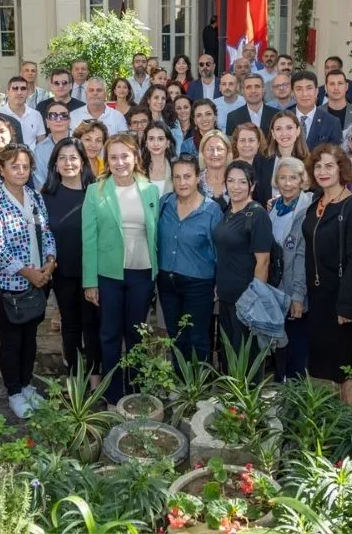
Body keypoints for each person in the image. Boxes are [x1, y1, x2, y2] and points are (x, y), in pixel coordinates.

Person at [82, 134, 160, 402]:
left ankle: (137, 390)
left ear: (135, 157)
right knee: (109, 334)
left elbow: (156, 232)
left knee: (137, 333)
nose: (119, 162)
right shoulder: (96, 190)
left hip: (142, 272)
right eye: (113, 157)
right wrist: (90, 281)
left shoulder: (150, 190)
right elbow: (88, 238)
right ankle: (113, 393)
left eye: (124, 156)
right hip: (108, 274)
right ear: (107, 161)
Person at [0, 145, 57, 418]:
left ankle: (26, 385)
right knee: (11, 340)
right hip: (5, 286)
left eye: (25, 166)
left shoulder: (35, 197)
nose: (21, 171)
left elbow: (47, 231)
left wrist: (49, 261)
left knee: (30, 338)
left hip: (37, 281)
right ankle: (13, 391)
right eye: (14, 166)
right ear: (1, 170)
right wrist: (28, 272)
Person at [301, 145, 352, 399]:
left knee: (346, 367)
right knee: (321, 364)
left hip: (342, 301)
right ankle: (326, 424)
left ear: (341, 168)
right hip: (318, 298)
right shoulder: (314, 204)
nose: (323, 171)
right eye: (318, 166)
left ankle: (349, 427)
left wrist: (347, 307)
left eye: (329, 165)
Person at [157, 154, 224, 368]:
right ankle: (179, 381)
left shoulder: (211, 210)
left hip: (199, 284)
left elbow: (219, 252)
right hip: (167, 282)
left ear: (197, 178)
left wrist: (218, 284)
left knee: (197, 337)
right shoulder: (164, 204)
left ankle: (198, 387)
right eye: (177, 177)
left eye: (187, 176)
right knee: (176, 336)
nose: (182, 182)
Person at [42, 139, 100, 380]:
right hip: (62, 272)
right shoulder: (45, 196)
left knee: (93, 323)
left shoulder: (96, 192)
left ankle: (96, 375)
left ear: (83, 162)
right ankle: (75, 377)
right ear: (55, 165)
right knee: (70, 324)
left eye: (74, 157)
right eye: (62, 158)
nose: (68, 163)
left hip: (93, 273)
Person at [211, 160, 274, 359]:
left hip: (245, 299)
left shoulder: (257, 215)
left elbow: (263, 262)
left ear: (252, 185)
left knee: (246, 356)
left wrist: (253, 300)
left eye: (242, 182)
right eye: (231, 181)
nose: (235, 187)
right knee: (230, 354)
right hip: (226, 295)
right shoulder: (228, 212)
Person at [268, 157, 312, 379]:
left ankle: (296, 402)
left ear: (302, 180)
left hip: (295, 290)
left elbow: (302, 257)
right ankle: (279, 389)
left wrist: (298, 295)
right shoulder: (275, 206)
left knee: (296, 349)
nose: (287, 183)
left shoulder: (307, 209)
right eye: (282, 178)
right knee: (279, 346)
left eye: (293, 178)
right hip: (275, 289)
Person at [262, 111, 312, 203]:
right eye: (278, 129)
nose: (284, 133)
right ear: (273, 133)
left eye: (289, 128)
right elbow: (256, 195)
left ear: (298, 131)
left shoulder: (309, 163)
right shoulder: (261, 160)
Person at [290, 71, 344, 149]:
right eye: (299, 89)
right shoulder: (283, 118)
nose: (305, 94)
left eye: (309, 88)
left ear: (316, 91)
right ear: (292, 93)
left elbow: (336, 156)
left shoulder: (332, 123)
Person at [34, 100, 74, 187]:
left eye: (63, 115)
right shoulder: (40, 149)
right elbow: (39, 181)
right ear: (47, 122)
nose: (58, 119)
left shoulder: (80, 144)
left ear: (69, 121)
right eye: (53, 116)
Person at [0, 76, 46, 145]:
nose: (19, 92)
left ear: (27, 93)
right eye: (15, 88)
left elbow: (41, 143)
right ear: (8, 92)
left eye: (23, 89)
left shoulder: (36, 115)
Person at [141, 121, 175, 197]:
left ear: (168, 143)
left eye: (160, 139)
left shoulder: (176, 167)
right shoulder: (138, 168)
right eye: (151, 139)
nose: (156, 143)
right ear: (146, 143)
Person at [198, 129, 232, 202]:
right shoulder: (195, 181)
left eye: (219, 149)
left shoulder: (237, 179)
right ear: (202, 154)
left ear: (227, 153)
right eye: (210, 149)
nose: (215, 154)